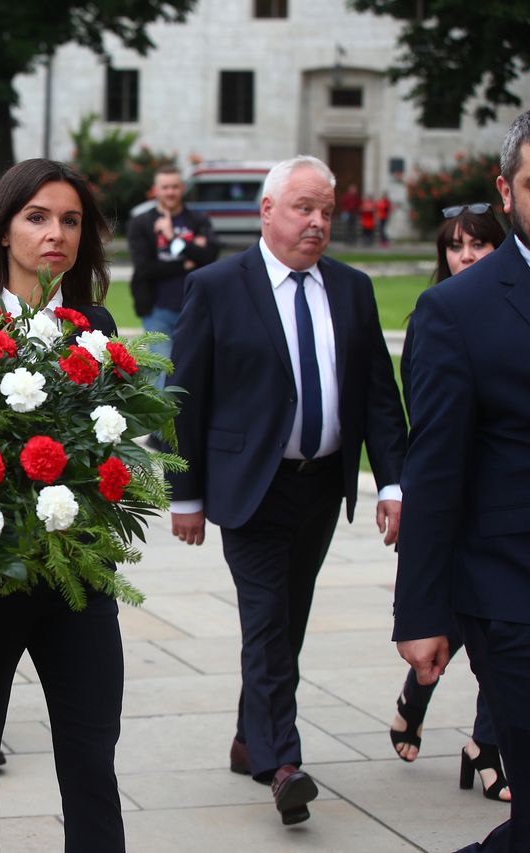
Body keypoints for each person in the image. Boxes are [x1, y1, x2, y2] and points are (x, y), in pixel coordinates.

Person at [167, 155, 407, 826]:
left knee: (285, 624)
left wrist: (393, 481)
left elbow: (379, 400)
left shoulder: (352, 289)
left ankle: (251, 737)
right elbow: (184, 395)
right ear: (267, 211)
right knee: (268, 622)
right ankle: (284, 764)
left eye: (327, 210)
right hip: (251, 488)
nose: (318, 222)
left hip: (322, 486)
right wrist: (185, 493)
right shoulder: (218, 286)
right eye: (304, 207)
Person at [0, 158, 124, 852]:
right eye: (37, 217)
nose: (55, 233)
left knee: (92, 758)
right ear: (3, 229)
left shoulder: (95, 323)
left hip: (78, 580)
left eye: (70, 220)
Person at [395, 110, 530, 853]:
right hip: (512, 596)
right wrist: (422, 610)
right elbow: (436, 468)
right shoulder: (457, 311)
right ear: (507, 193)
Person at [387, 202, 510, 803]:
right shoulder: (437, 317)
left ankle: (483, 740)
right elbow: (429, 435)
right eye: (455, 246)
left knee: (492, 627)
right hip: (458, 507)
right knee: (467, 621)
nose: (465, 256)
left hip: (502, 518)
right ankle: (423, 693)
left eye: (478, 245)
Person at [125, 166, 221, 388]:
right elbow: (145, 267)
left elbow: (210, 257)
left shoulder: (198, 220)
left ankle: (188, 420)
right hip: (157, 309)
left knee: (195, 369)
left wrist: (171, 238)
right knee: (163, 372)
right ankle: (165, 421)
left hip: (195, 308)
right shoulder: (141, 223)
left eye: (175, 187)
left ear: (182, 189)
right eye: (165, 187)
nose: (170, 192)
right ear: (155, 190)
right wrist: (187, 258)